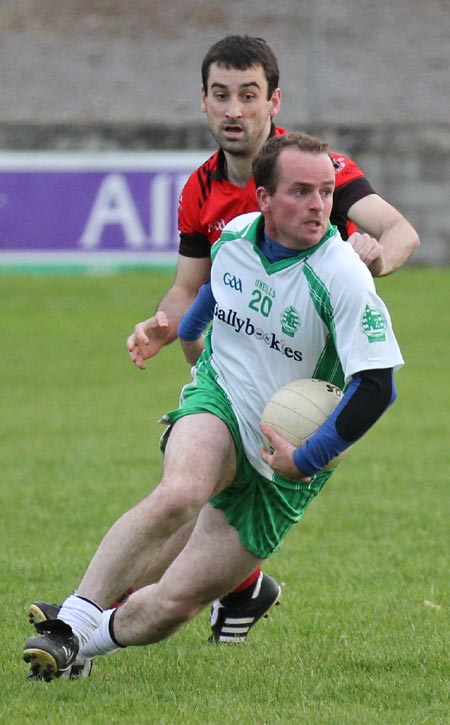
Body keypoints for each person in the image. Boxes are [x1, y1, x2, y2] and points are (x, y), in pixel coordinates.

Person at [23, 131, 404, 682]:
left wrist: (308, 457)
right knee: (180, 492)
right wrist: (180, 332)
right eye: (301, 191)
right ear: (264, 198)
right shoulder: (235, 238)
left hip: (284, 464)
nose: (319, 205)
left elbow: (377, 385)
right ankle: (72, 620)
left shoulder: (343, 278)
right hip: (221, 400)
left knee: (172, 604)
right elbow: (215, 294)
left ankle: (86, 643)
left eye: (325, 192)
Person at [124, 35, 419, 644]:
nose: (235, 110)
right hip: (226, 363)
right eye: (222, 95)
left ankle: (102, 611)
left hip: (302, 367)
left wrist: (375, 258)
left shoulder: (314, 172)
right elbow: (187, 290)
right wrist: (161, 322)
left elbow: (399, 231)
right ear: (203, 102)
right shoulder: (200, 188)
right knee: (193, 490)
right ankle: (232, 589)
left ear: (272, 102)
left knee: (201, 495)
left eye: (248, 96)